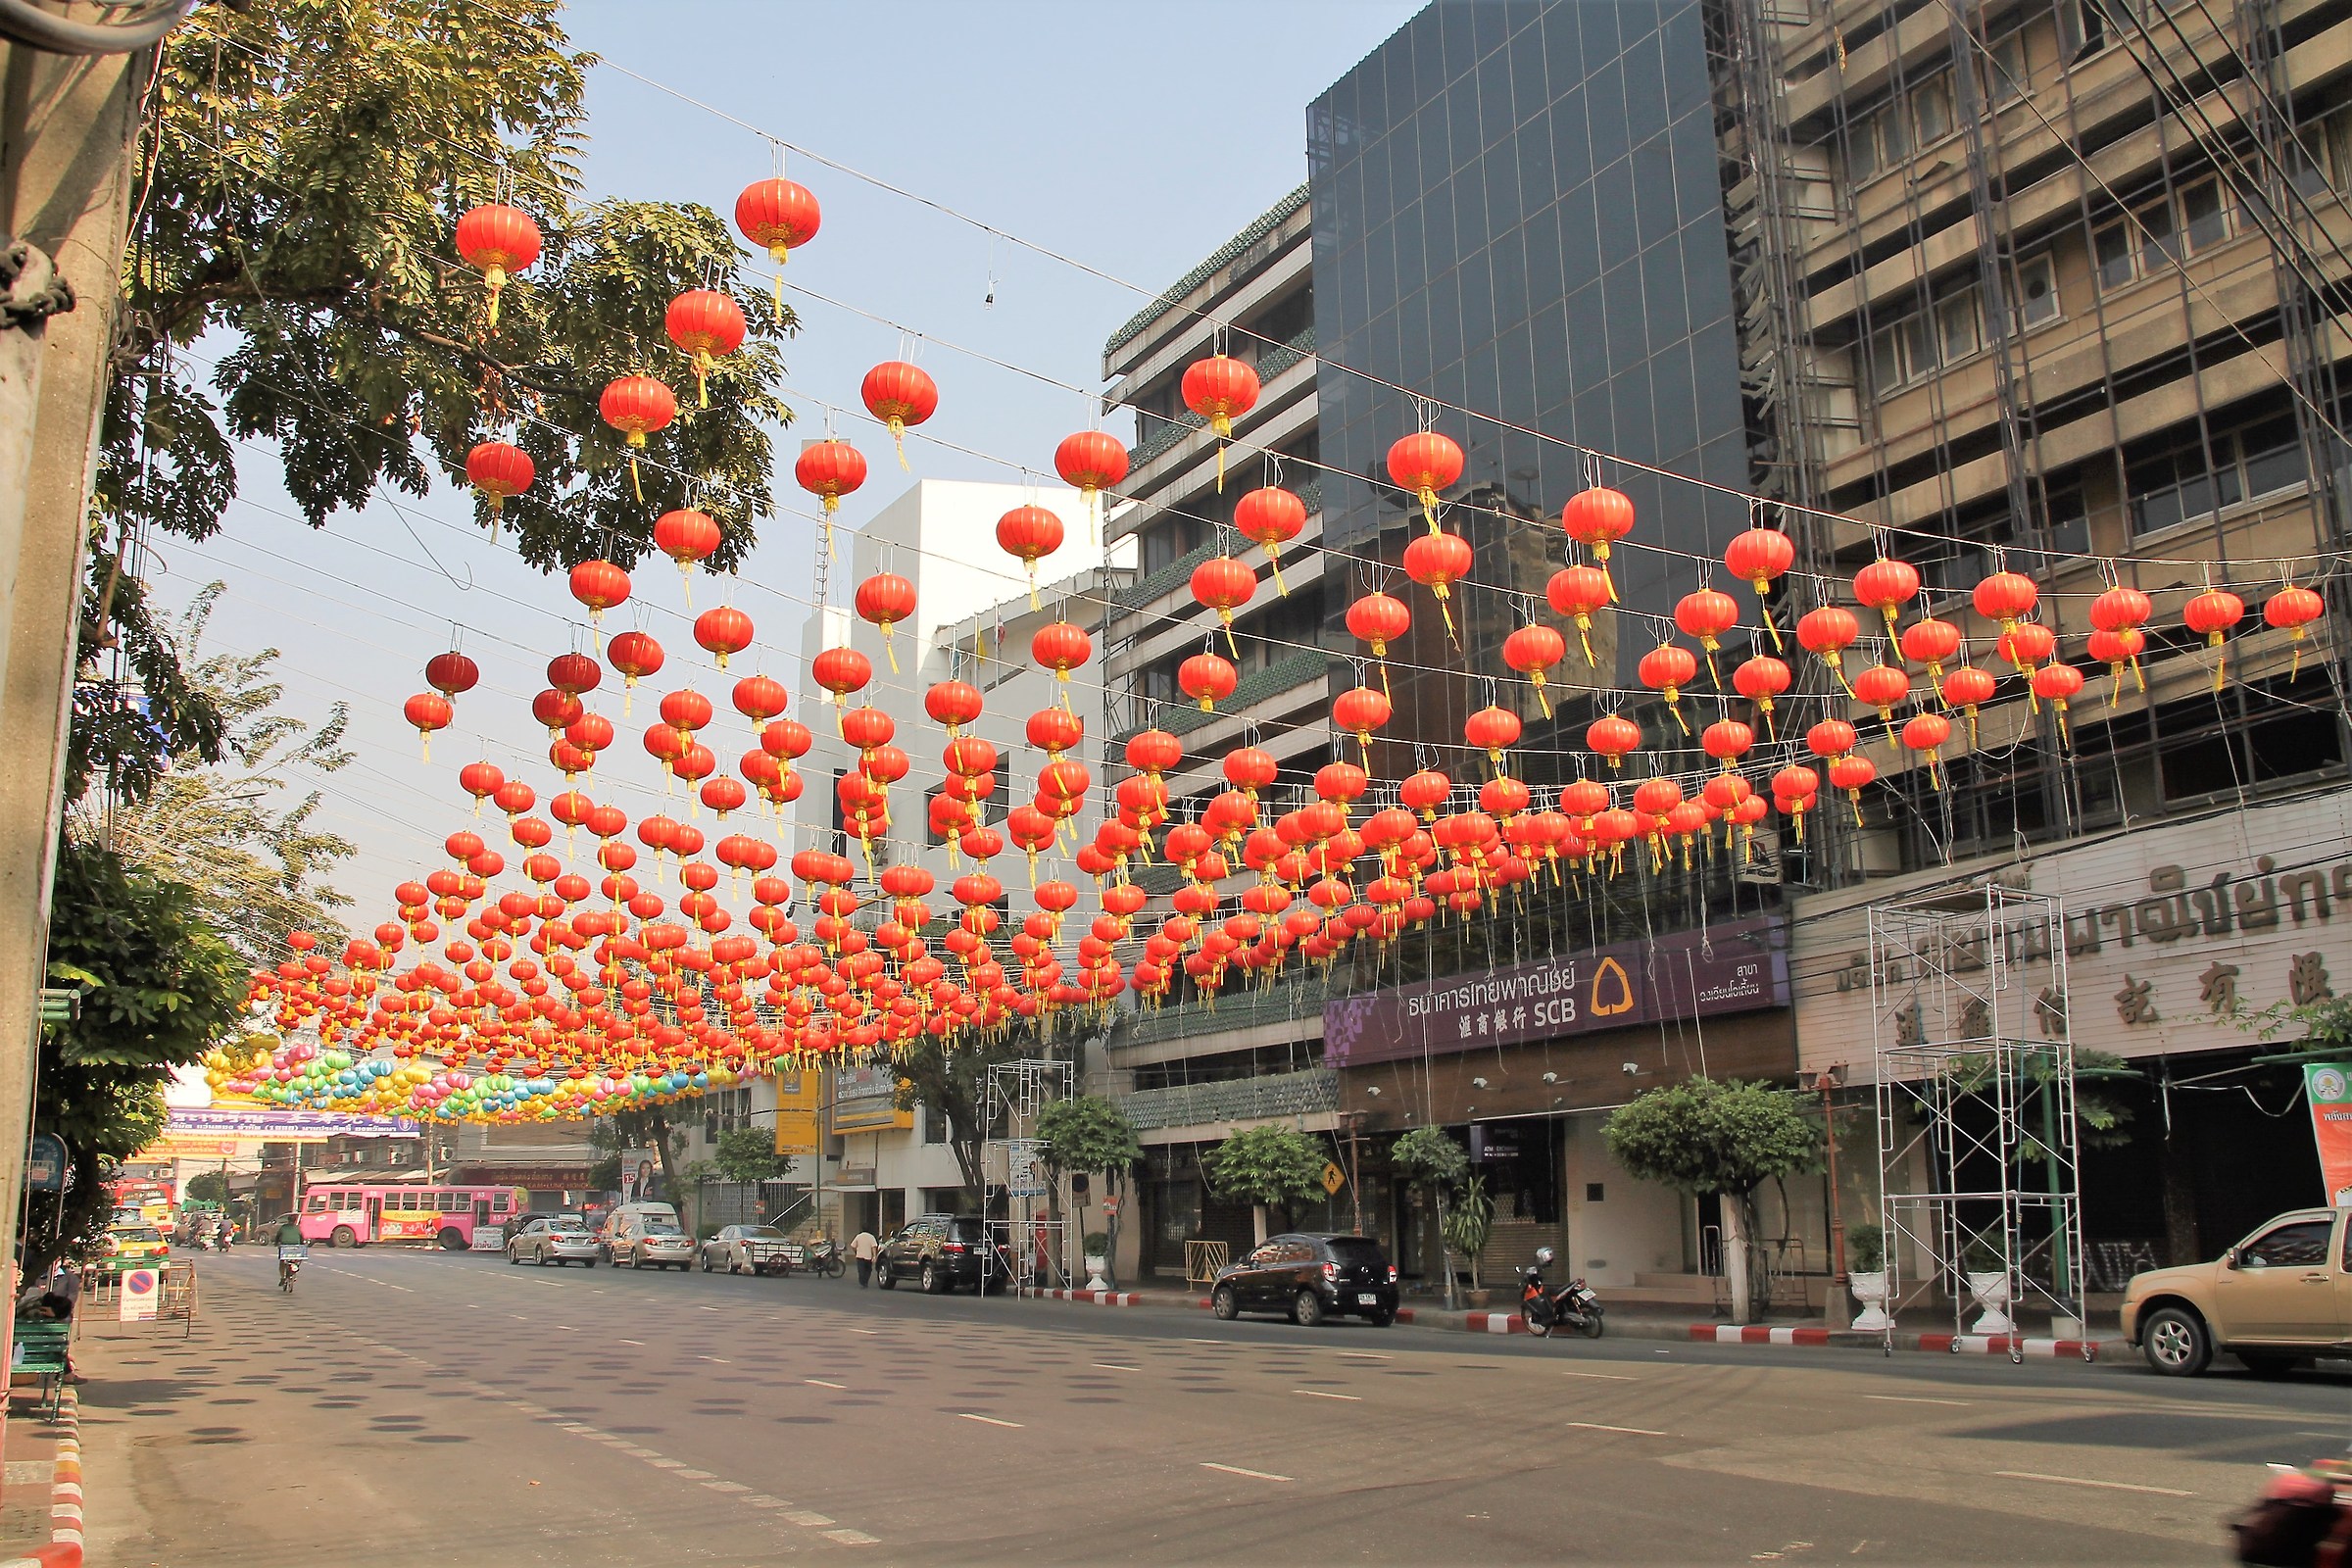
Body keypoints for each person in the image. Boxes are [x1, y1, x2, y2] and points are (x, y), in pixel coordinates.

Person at [18, 1262, 84, 1384]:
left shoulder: (35, 1302)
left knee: (56, 1345)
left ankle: (67, 1373)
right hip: (25, 1352)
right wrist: (65, 1353)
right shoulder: (37, 1314)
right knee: (57, 1345)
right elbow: (53, 1342)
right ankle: (67, 1375)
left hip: (20, 1345)